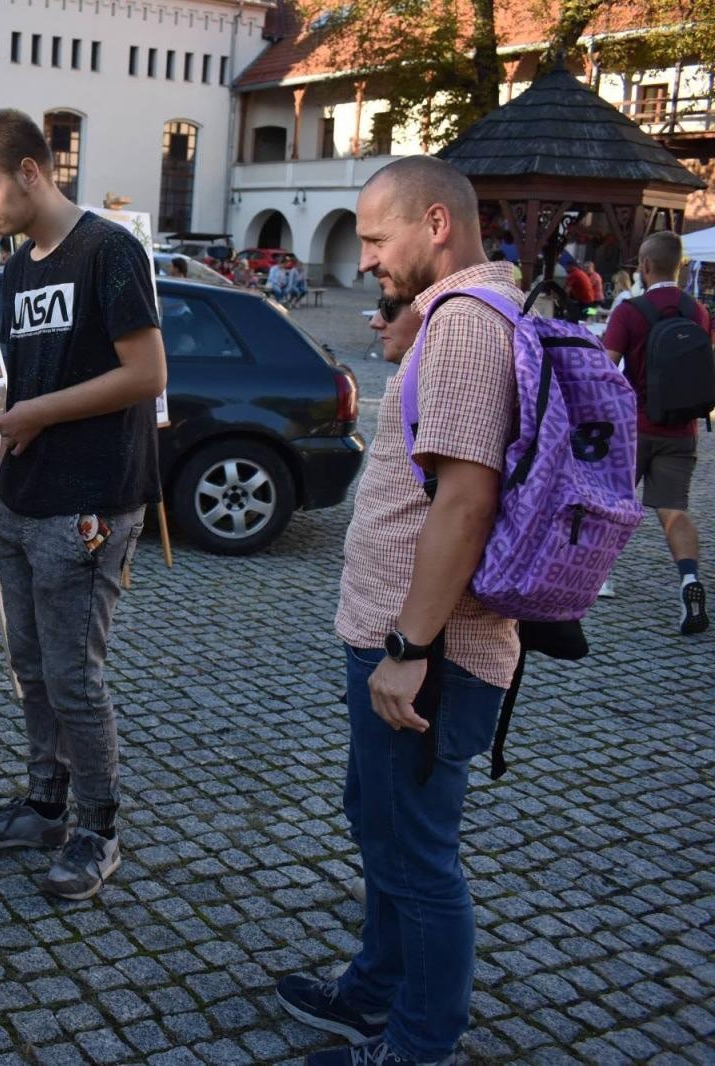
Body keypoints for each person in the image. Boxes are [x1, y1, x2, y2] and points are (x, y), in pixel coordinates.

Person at [275, 155, 523, 1066]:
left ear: (437, 224)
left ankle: (420, 1047)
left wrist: (410, 646)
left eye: (379, 238)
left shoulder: (463, 329)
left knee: (419, 860)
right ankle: (372, 992)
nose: (369, 258)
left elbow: (464, 504)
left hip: (430, 649)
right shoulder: (465, 318)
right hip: (411, 637)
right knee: (380, 820)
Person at [0, 110, 165, 900]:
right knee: (33, 669)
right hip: (20, 495)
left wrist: (39, 413)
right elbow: (33, 375)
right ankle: (44, 805)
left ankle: (97, 828)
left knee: (76, 677)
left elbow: (147, 374)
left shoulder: (109, 252)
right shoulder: (20, 266)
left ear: (31, 171)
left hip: (90, 503)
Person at [602, 231, 710, 634]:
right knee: (674, 509)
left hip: (633, 427)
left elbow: (605, 367)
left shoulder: (630, 311)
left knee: (612, 501)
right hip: (682, 429)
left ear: (644, 266)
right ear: (680, 265)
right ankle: (689, 580)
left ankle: (599, 577)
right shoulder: (698, 311)